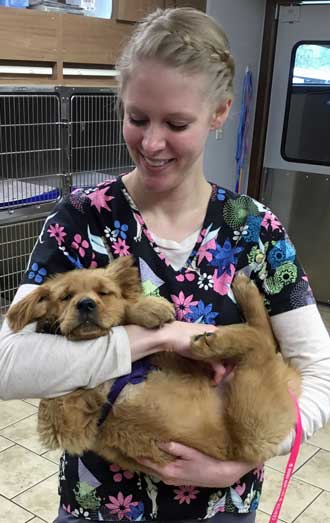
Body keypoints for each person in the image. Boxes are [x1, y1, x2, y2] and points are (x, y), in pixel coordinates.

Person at [1, 7, 330, 523]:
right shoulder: (81, 220)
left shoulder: (254, 230)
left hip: (221, 507)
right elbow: (7, 364)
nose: (151, 144)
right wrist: (157, 338)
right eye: (137, 118)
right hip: (99, 506)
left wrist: (248, 455)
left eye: (176, 123)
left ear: (219, 113)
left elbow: (320, 370)